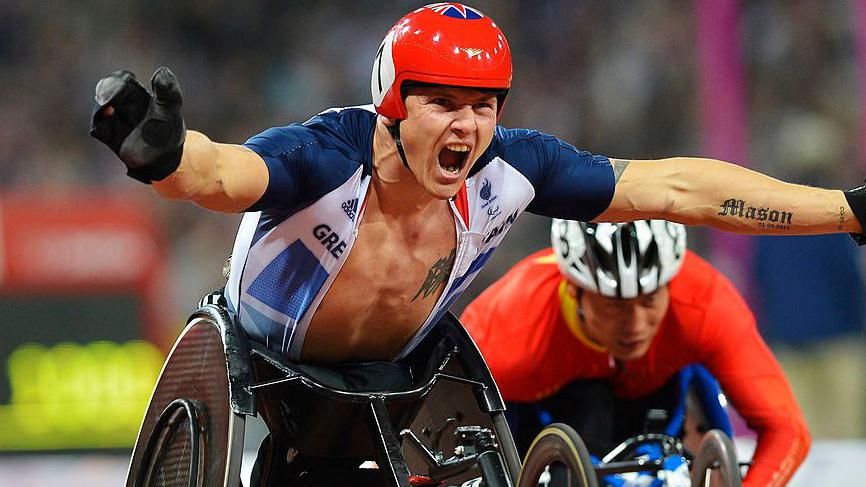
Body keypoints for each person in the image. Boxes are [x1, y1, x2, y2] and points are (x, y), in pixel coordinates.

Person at [89, 1, 854, 481]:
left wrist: (848, 211)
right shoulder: (325, 155)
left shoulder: (513, 166)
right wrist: (166, 158)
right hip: (268, 365)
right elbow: (223, 174)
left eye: (485, 106)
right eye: (446, 104)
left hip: (404, 375)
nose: (469, 127)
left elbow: (677, 188)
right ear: (393, 104)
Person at [460, 219, 810, 487]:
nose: (635, 323)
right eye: (614, 305)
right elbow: (444, 448)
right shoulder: (504, 327)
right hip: (538, 415)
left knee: (697, 367)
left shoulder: (705, 301)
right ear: (575, 290)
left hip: (662, 398)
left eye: (649, 300)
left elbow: (788, 430)